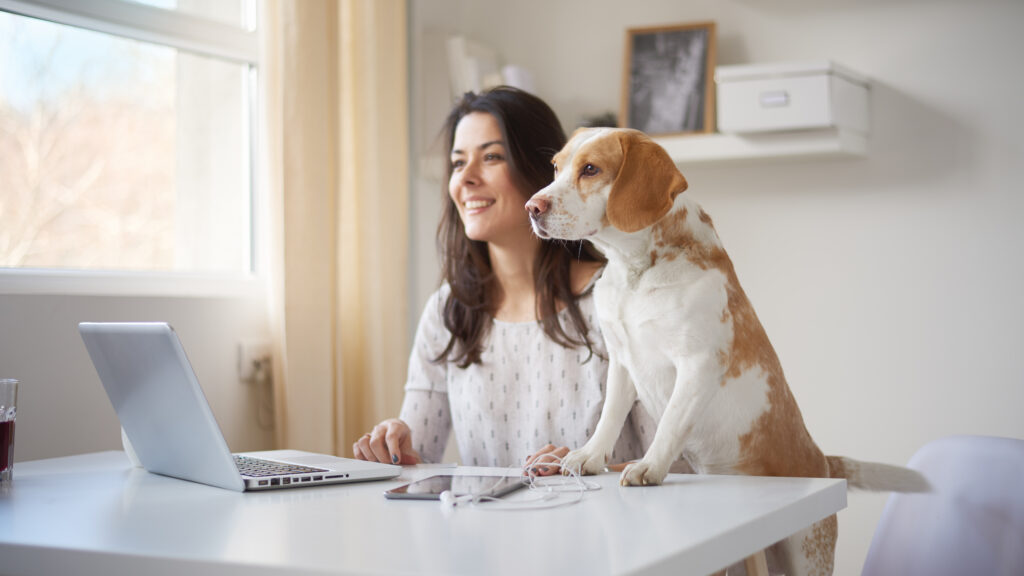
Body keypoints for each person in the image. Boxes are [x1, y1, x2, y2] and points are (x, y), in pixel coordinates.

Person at [352, 86, 655, 475]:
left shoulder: (621, 300)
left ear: (543, 170)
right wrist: (394, 445)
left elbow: (676, 465)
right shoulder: (448, 311)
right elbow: (417, 459)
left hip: (609, 532)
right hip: (486, 535)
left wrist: (582, 465)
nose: (467, 179)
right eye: (458, 163)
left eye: (492, 157)